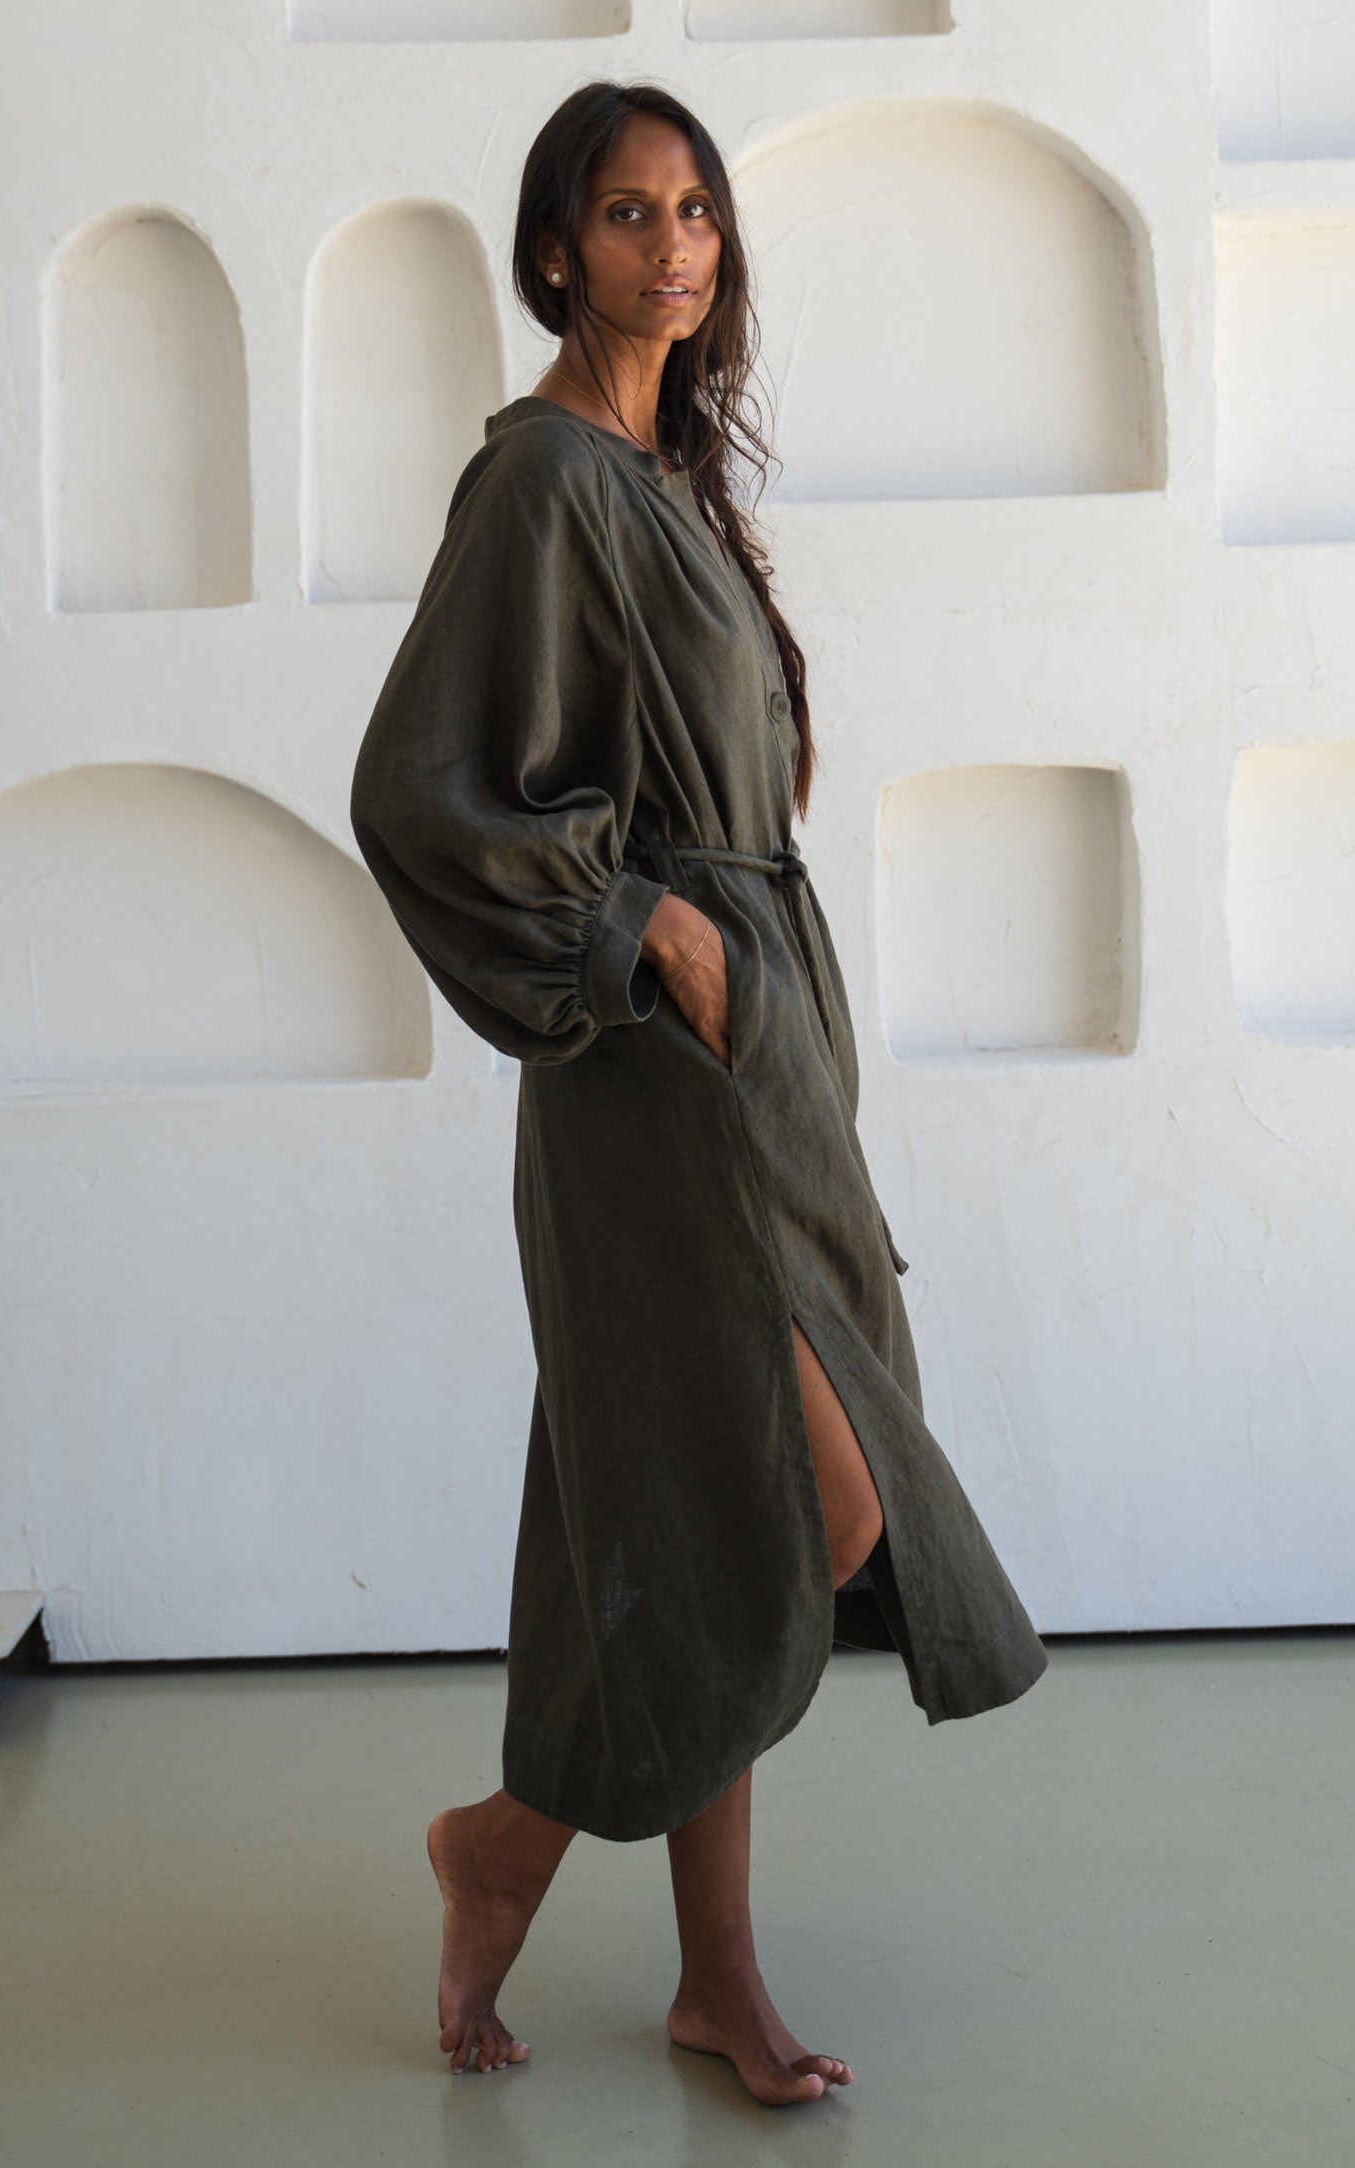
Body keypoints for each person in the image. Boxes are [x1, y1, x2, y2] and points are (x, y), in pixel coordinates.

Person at [349, 80, 1047, 2108]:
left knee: (692, 1488)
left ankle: (701, 1969)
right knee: (786, 1492)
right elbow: (422, 787)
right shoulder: (545, 479)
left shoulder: (662, 468)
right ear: (554, 245)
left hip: (754, 1050)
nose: (677, 245)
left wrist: (737, 967)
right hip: (648, 1070)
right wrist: (644, 921)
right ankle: (510, 1848)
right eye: (629, 212)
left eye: (698, 210)